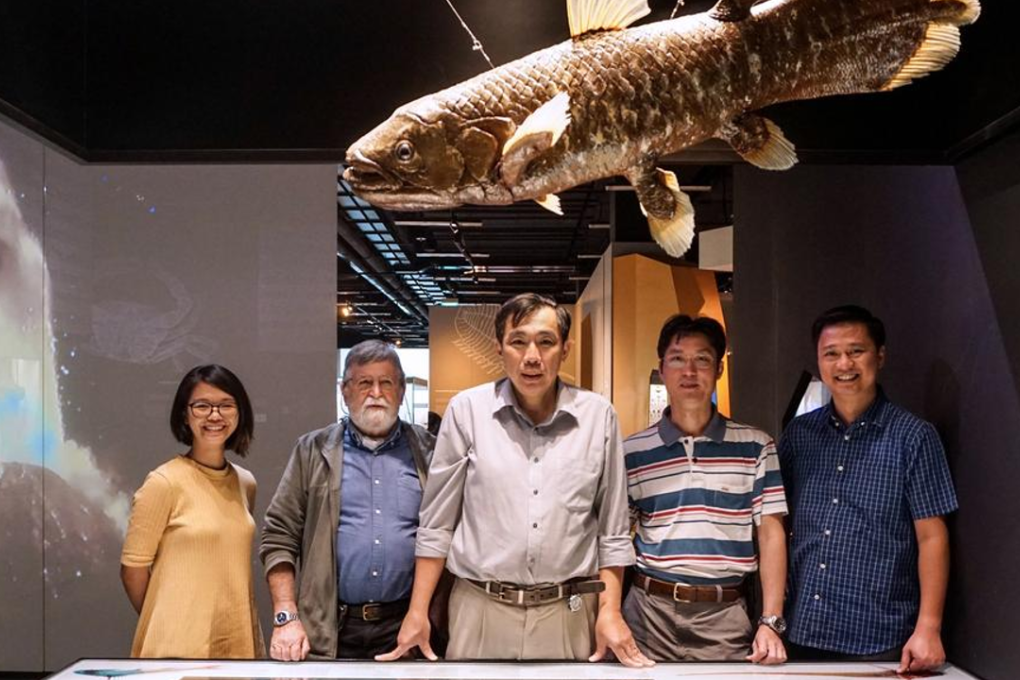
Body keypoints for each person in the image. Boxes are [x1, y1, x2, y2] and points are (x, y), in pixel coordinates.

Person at [379, 293, 653, 667]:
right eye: (518, 342)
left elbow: (613, 531)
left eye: (546, 342)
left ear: (565, 349)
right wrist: (418, 611)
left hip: (568, 613)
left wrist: (610, 611)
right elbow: (437, 524)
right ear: (499, 348)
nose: (532, 357)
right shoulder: (467, 412)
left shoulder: (598, 417)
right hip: (480, 610)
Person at [780, 305, 958, 673]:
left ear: (880, 355)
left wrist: (929, 626)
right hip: (801, 630)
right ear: (819, 361)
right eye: (831, 354)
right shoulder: (799, 436)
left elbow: (932, 537)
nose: (844, 364)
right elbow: (778, 526)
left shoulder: (913, 437)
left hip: (877, 637)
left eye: (855, 351)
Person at [623, 315, 788, 664]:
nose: (689, 371)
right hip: (648, 613)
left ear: (718, 370)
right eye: (678, 358)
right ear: (662, 368)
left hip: (725, 616)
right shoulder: (632, 451)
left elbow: (771, 534)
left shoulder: (756, 446)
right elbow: (614, 539)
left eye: (702, 359)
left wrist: (771, 621)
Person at [260, 340, 436, 660]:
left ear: (401, 391)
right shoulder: (311, 451)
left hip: (406, 627)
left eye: (386, 383)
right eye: (364, 383)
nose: (376, 393)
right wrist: (286, 616)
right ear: (344, 391)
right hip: (331, 629)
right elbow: (278, 535)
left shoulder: (430, 452)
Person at [120, 364, 264, 658]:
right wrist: (166, 622)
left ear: (240, 413)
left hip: (236, 641)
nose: (215, 415)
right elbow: (132, 570)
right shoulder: (163, 483)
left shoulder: (245, 483)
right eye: (202, 406)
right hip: (176, 649)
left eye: (226, 405)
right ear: (184, 414)